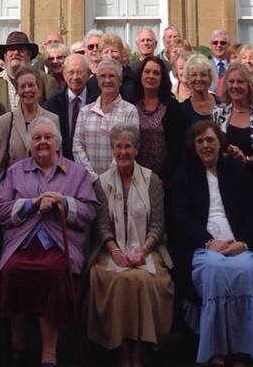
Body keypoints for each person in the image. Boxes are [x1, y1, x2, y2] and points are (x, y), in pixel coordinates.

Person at [0, 116, 97, 367]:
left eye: (47, 137)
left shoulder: (76, 173)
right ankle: (18, 340)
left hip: (60, 244)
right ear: (30, 144)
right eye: (37, 138)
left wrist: (62, 202)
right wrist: (33, 204)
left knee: (53, 272)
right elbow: (0, 210)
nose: (42, 142)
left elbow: (89, 211)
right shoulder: (15, 171)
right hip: (22, 242)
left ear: (58, 143)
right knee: (12, 269)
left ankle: (49, 352)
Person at [169, 121, 253, 367]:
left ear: (220, 143)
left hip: (237, 243)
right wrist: (207, 241)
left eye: (210, 140)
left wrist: (243, 243)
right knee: (215, 272)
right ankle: (216, 352)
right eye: (200, 141)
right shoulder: (184, 174)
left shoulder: (236, 171)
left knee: (246, 270)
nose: (205, 145)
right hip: (204, 247)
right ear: (193, 146)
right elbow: (180, 215)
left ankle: (242, 352)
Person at [87, 124, 174, 366]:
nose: (123, 151)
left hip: (148, 247)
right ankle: (123, 350)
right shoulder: (102, 182)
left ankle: (138, 350)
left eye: (128, 146)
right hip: (110, 249)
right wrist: (115, 250)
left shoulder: (151, 180)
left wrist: (143, 250)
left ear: (136, 149)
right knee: (118, 279)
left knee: (145, 279)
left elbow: (157, 225)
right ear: (112, 149)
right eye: (118, 146)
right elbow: (102, 227)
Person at [73, 59, 139, 182]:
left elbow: (130, 147)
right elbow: (77, 147)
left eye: (112, 76)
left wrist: (107, 179)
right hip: (88, 182)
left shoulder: (130, 111)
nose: (107, 80)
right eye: (103, 76)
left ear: (120, 80)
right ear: (97, 81)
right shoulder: (85, 112)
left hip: (119, 182)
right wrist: (92, 178)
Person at [0, 65, 60, 184]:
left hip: (46, 187)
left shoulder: (52, 119)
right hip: (16, 189)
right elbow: (0, 164)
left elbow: (58, 159)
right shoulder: (6, 121)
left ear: (38, 88)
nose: (27, 90)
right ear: (17, 91)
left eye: (31, 85)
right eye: (22, 86)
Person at [0, 31, 48, 140]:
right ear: (5, 55)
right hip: (1, 151)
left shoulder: (46, 82)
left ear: (29, 54)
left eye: (21, 49)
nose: (16, 53)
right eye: (11, 49)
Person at [127, 57, 185, 182]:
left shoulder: (173, 107)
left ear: (162, 78)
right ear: (140, 75)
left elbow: (178, 147)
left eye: (156, 73)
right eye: (147, 72)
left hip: (167, 178)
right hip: (134, 176)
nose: (151, 76)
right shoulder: (130, 105)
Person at [212, 61, 253, 162]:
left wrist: (246, 159)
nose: (235, 86)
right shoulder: (218, 112)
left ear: (249, 85)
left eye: (240, 82)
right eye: (231, 82)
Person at [42, 53, 99, 159]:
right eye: (71, 72)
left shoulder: (98, 102)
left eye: (80, 72)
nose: (75, 77)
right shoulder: (52, 105)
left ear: (88, 74)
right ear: (64, 74)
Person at [180, 53, 217, 126]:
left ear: (210, 78)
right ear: (188, 78)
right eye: (194, 75)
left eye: (203, 75)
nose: (199, 79)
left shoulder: (221, 104)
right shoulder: (182, 109)